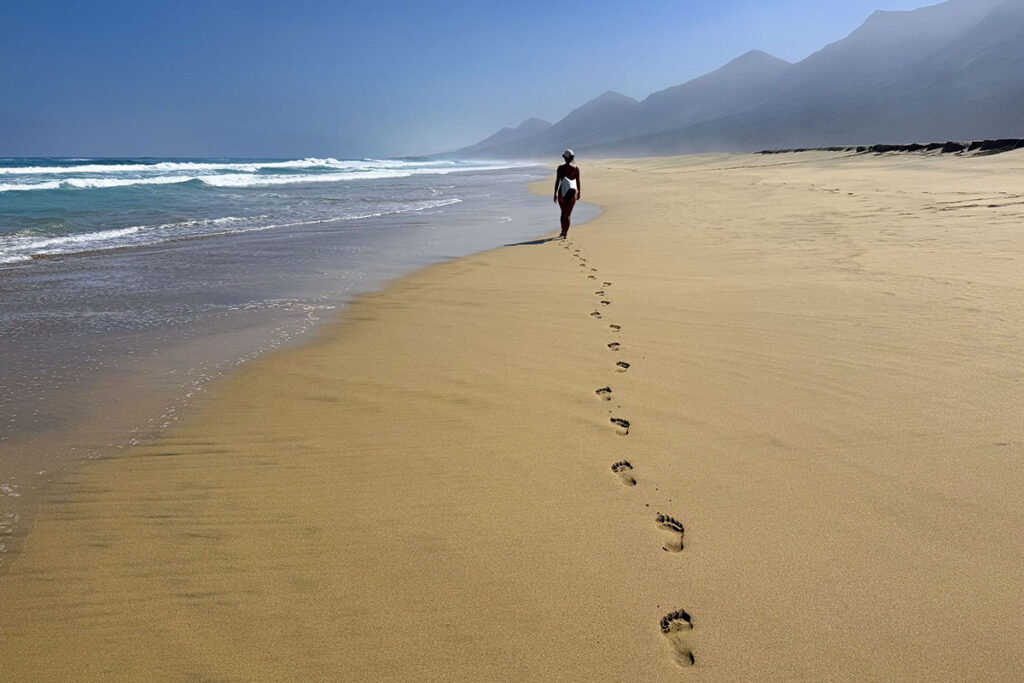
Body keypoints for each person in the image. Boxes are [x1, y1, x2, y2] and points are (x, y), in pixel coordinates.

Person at [553, 149, 581, 239]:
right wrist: (579, 192)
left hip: (562, 192)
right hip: (573, 192)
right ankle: (565, 234)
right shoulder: (576, 169)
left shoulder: (560, 168)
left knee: (563, 212)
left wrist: (555, 194)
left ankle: (562, 231)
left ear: (565, 158)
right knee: (568, 214)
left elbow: (557, 181)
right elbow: (578, 182)